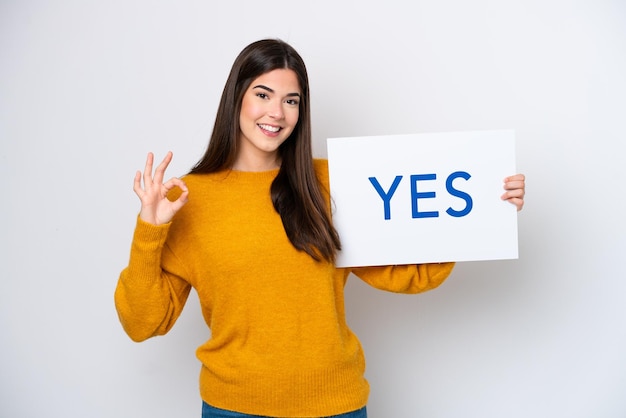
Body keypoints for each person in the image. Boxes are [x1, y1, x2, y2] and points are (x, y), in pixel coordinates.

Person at [114, 39, 526, 418]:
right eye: (263, 94)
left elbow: (407, 274)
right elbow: (143, 322)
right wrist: (149, 230)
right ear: (235, 97)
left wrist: (482, 210)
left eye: (291, 100)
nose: (277, 112)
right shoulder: (188, 200)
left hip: (336, 406)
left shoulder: (332, 183)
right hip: (233, 407)